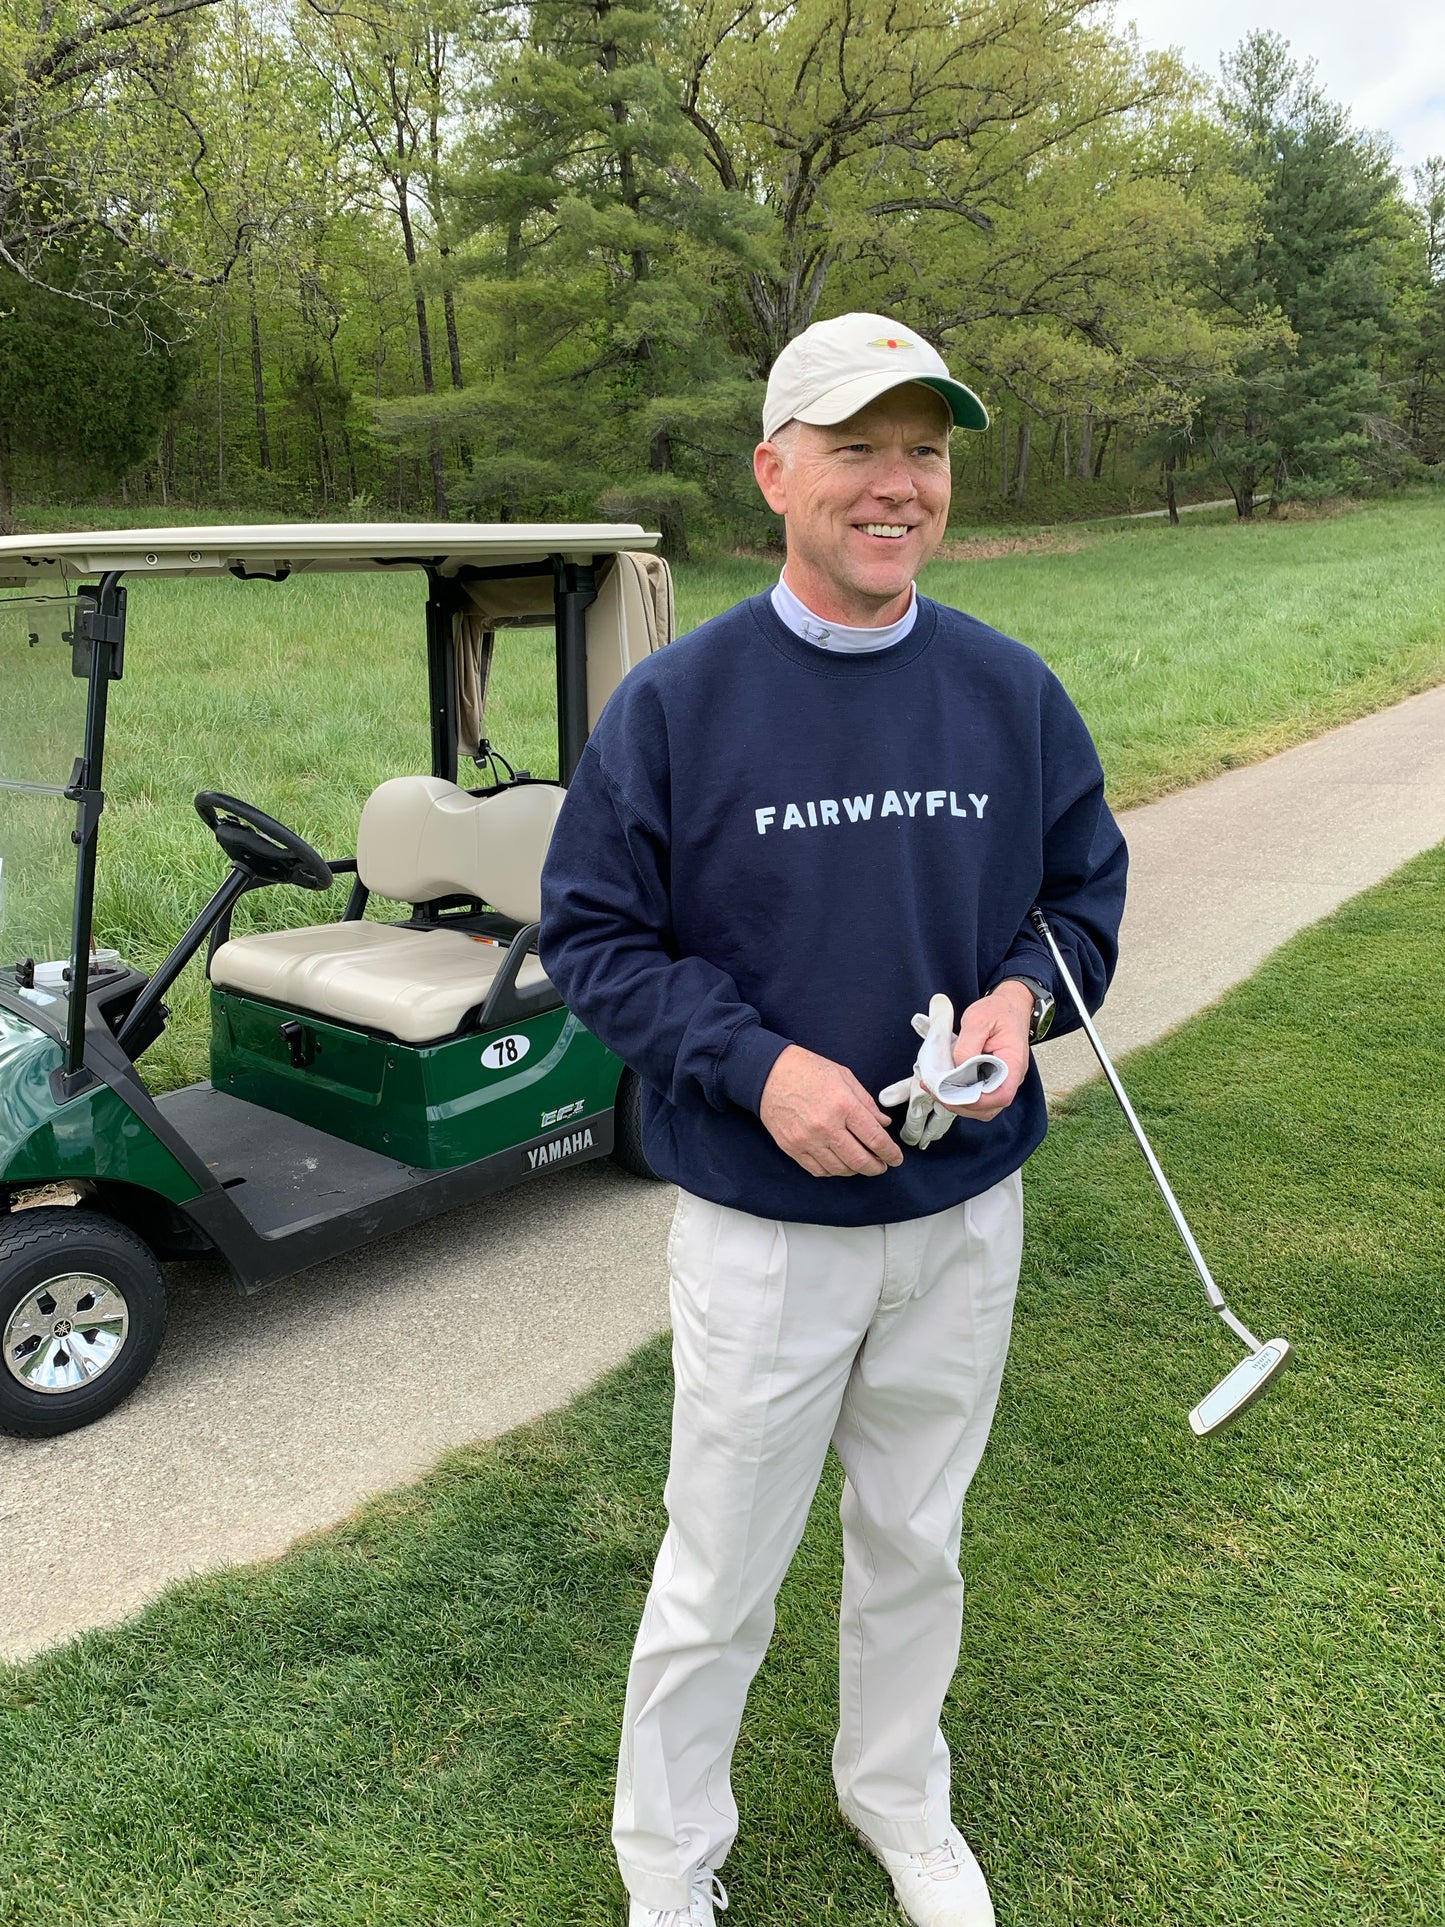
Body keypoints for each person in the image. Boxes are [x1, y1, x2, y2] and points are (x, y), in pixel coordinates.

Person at [539, 311, 1128, 1927]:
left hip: (958, 1215)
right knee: (721, 1572)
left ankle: (895, 1797)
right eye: (857, 448)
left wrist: (1021, 998)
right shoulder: (676, 704)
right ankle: (670, 1866)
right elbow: (589, 937)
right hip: (762, 1229)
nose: (895, 485)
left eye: (922, 453)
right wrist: (757, 1067)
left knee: (915, 1538)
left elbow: (1080, 897)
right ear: (773, 471)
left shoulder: (1008, 694)